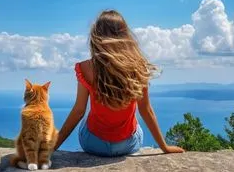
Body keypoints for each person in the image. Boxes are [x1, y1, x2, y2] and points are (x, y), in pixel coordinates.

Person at [54, 10, 184, 157]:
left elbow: (78, 111)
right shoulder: (138, 68)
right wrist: (164, 147)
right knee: (135, 122)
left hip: (93, 144)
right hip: (127, 145)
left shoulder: (85, 68)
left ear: (96, 36)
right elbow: (146, 110)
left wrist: (52, 147)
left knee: (87, 119)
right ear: (125, 36)